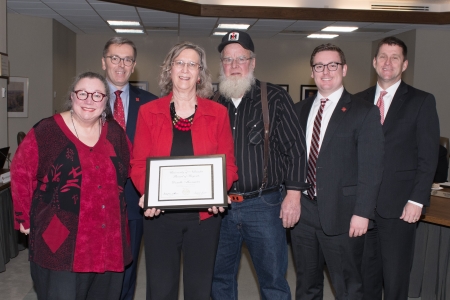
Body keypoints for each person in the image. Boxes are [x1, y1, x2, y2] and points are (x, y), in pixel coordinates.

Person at [130, 41, 238, 300]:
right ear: (169, 69)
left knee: (199, 291)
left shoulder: (218, 113)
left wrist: (217, 194)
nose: (185, 69)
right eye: (179, 62)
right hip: (160, 218)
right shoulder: (148, 112)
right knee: (160, 289)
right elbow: (139, 164)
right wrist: (150, 194)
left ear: (200, 73)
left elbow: (230, 166)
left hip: (204, 219)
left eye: (192, 64)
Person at [11, 72, 132, 300]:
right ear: (72, 96)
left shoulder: (115, 134)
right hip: (60, 242)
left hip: (108, 241)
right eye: (82, 93)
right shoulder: (46, 132)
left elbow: (131, 168)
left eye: (97, 95)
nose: (89, 100)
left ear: (106, 101)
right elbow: (20, 173)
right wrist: (23, 217)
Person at [211, 30, 309, 300]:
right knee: (219, 279)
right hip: (220, 209)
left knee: (274, 281)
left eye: (240, 59)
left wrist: (293, 196)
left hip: (264, 207)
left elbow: (297, 150)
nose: (233, 66)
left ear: (252, 62)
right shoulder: (211, 103)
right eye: (227, 60)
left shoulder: (274, 98)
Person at [291, 43, 385, 299]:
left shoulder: (364, 112)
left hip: (344, 216)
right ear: (312, 72)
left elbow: (372, 168)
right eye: (319, 66)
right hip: (304, 214)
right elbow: (292, 159)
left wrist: (362, 213)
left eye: (332, 65)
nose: (326, 71)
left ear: (344, 69)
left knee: (348, 287)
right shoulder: (298, 110)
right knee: (306, 285)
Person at [356, 36, 440, 300]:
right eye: (383, 56)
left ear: (404, 65)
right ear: (374, 61)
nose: (387, 62)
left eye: (395, 58)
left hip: (401, 207)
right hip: (361, 209)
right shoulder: (356, 101)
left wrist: (417, 199)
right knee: (364, 278)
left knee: (395, 281)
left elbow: (429, 156)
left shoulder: (421, 101)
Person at [101, 36, 157, 300]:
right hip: (95, 199)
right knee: (96, 267)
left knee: (128, 267)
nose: (120, 64)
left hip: (135, 199)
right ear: (104, 62)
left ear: (133, 65)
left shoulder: (150, 103)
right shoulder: (88, 98)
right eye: (115, 57)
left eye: (127, 59)